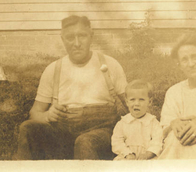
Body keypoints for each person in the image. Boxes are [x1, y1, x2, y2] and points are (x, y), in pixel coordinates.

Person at [16, 15, 128, 160]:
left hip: (102, 131)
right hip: (63, 134)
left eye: (82, 36)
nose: (76, 43)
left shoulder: (109, 64)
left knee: (85, 142)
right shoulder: (53, 69)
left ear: (91, 36)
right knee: (27, 128)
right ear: (63, 39)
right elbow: (35, 112)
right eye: (70, 37)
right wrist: (47, 115)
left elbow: (130, 105)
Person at [111, 80, 163, 160]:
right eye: (132, 100)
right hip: (127, 157)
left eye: (141, 99)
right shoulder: (123, 123)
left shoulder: (153, 122)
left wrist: (148, 154)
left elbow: (158, 140)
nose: (136, 103)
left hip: (148, 157)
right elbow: (117, 142)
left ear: (149, 102)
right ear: (127, 102)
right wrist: (127, 153)